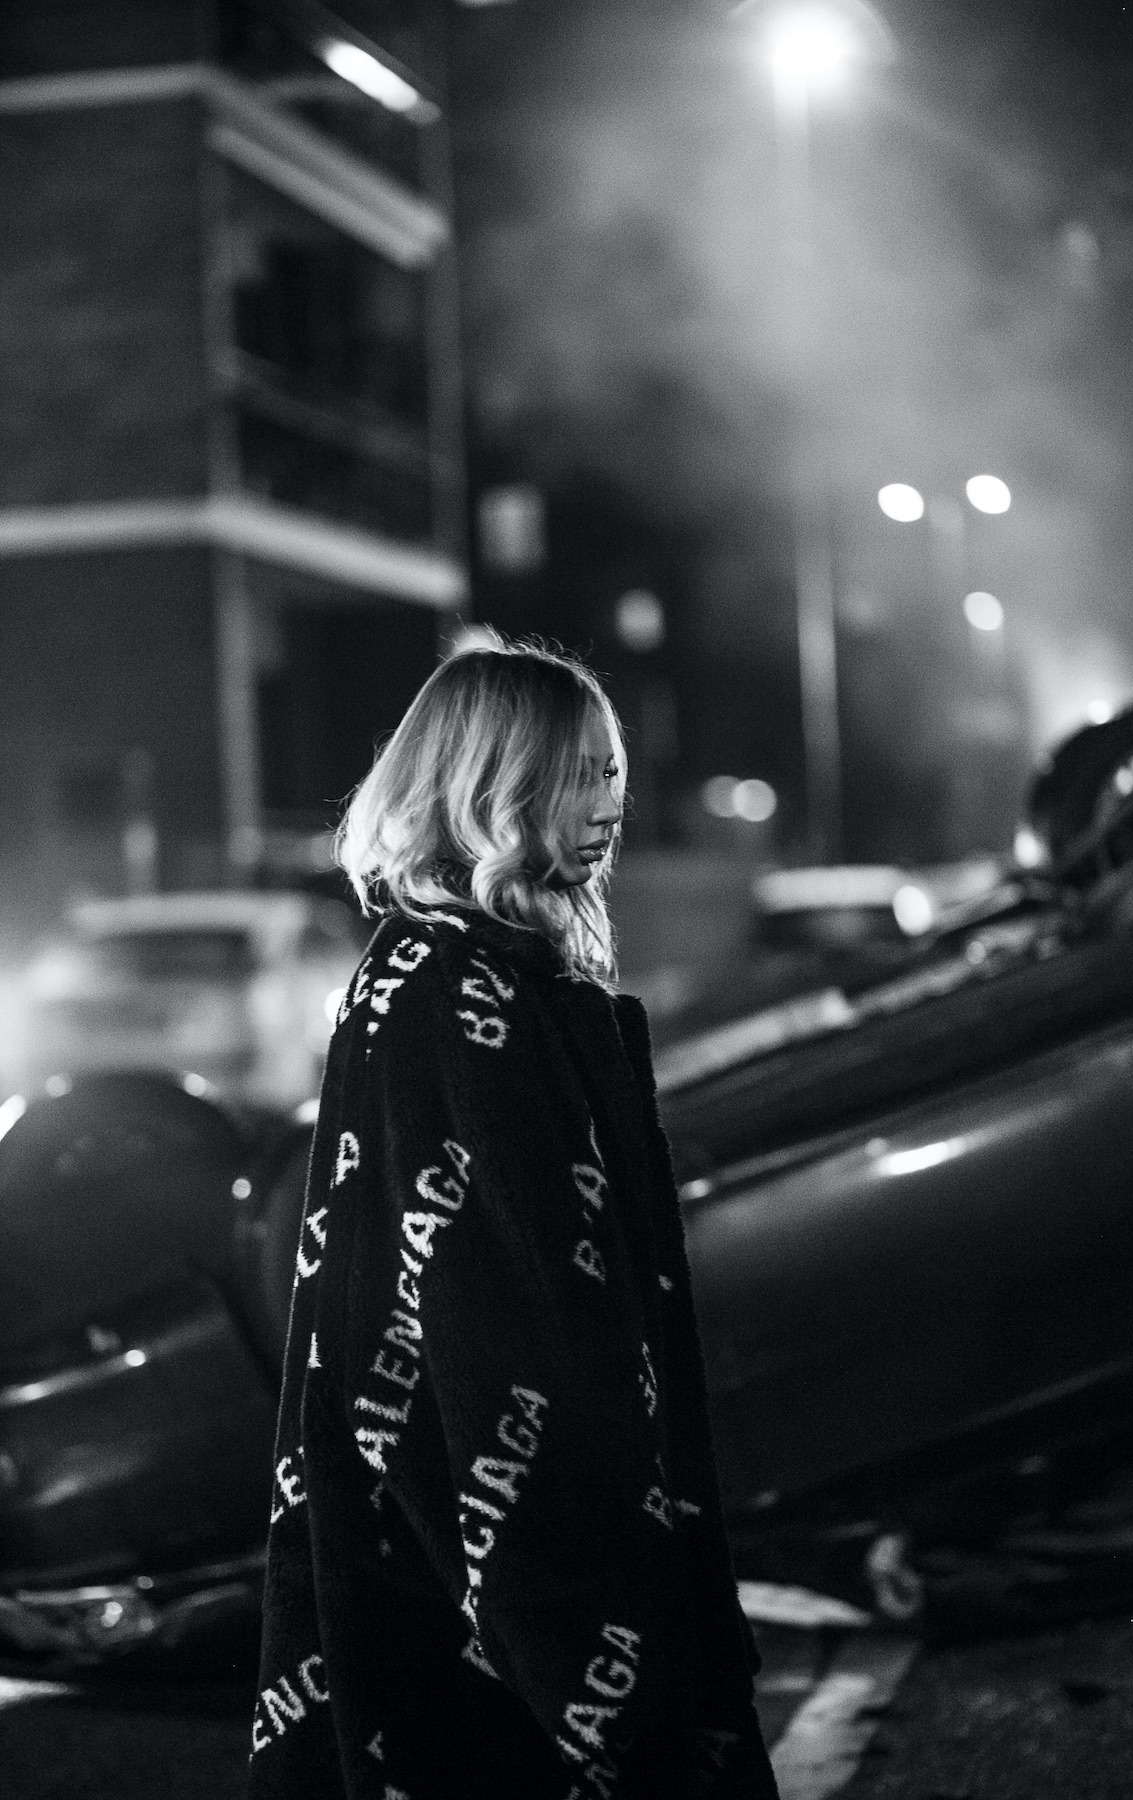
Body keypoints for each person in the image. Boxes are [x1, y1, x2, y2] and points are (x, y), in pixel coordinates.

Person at [248, 638, 779, 1800]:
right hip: (494, 1578)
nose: (608, 805)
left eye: (611, 771)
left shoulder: (475, 975)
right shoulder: (456, 997)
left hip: (495, 1563)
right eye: (575, 773)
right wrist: (586, 1642)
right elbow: (497, 1334)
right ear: (490, 786)